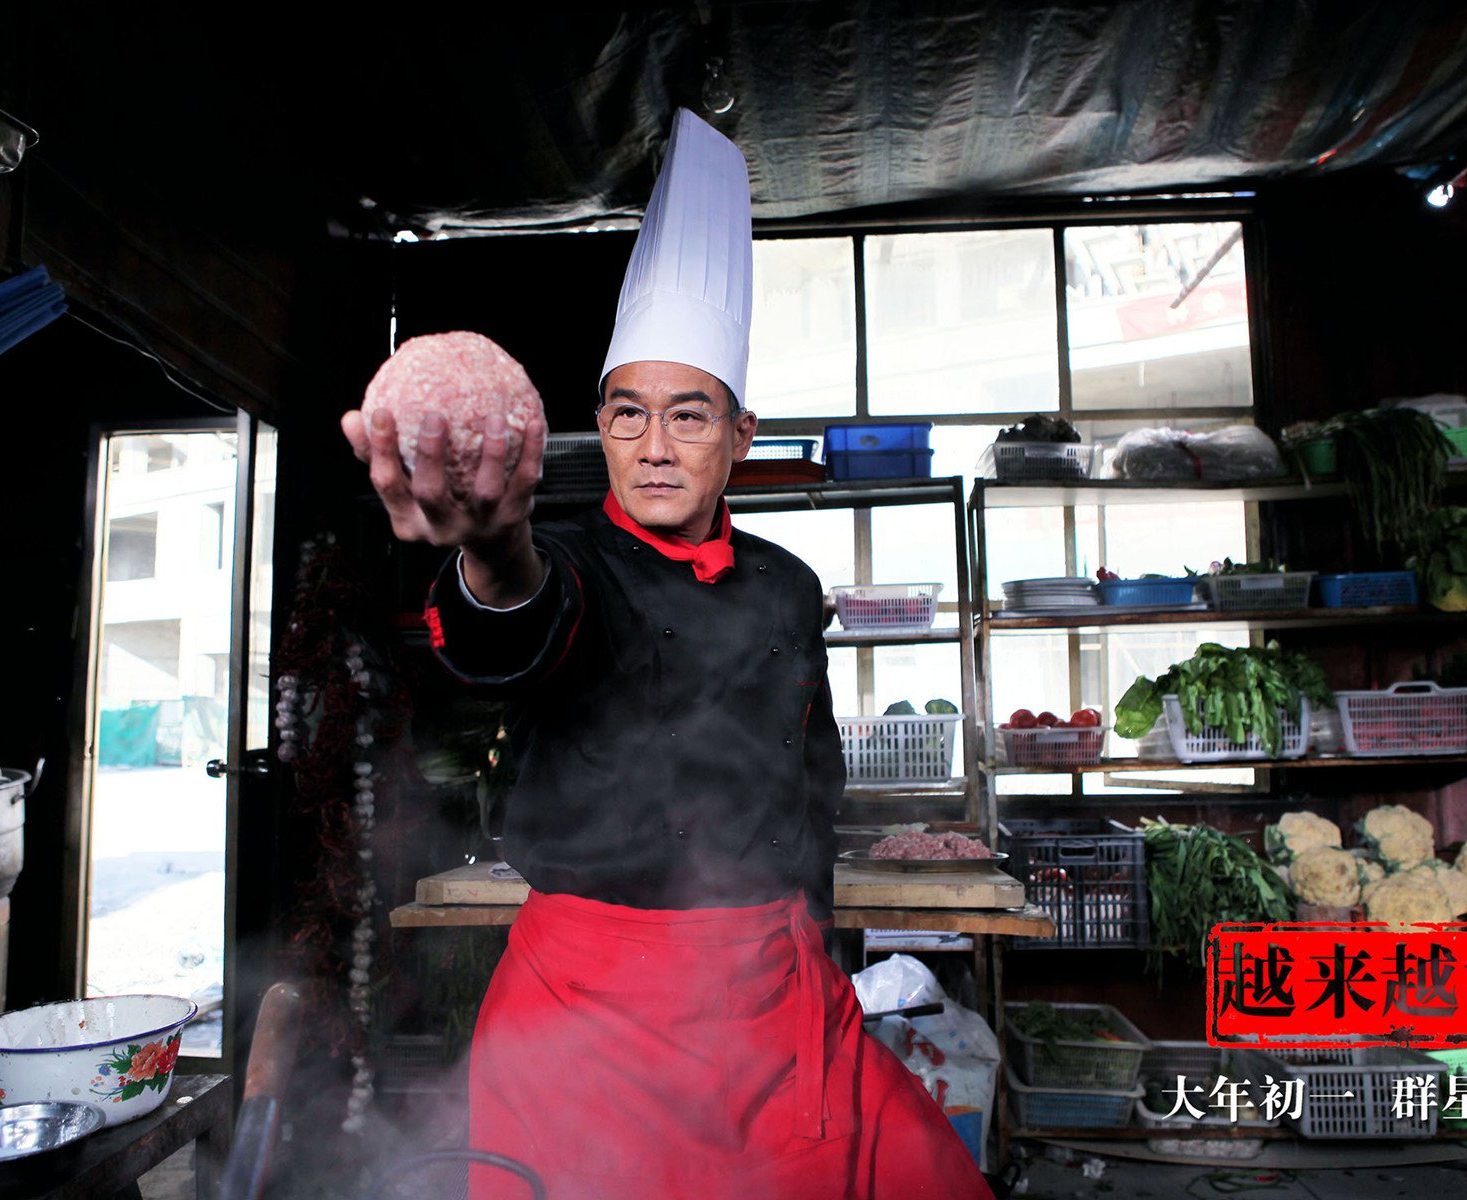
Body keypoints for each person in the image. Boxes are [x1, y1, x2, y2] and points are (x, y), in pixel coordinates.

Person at [342, 109, 991, 1200]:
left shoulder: (784, 584)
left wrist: (825, 952)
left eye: (689, 417)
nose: (652, 446)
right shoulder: (571, 561)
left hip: (778, 996)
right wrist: (492, 546)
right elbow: (519, 618)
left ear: (741, 436)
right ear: (599, 422)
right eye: (628, 413)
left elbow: (812, 781)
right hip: (588, 1010)